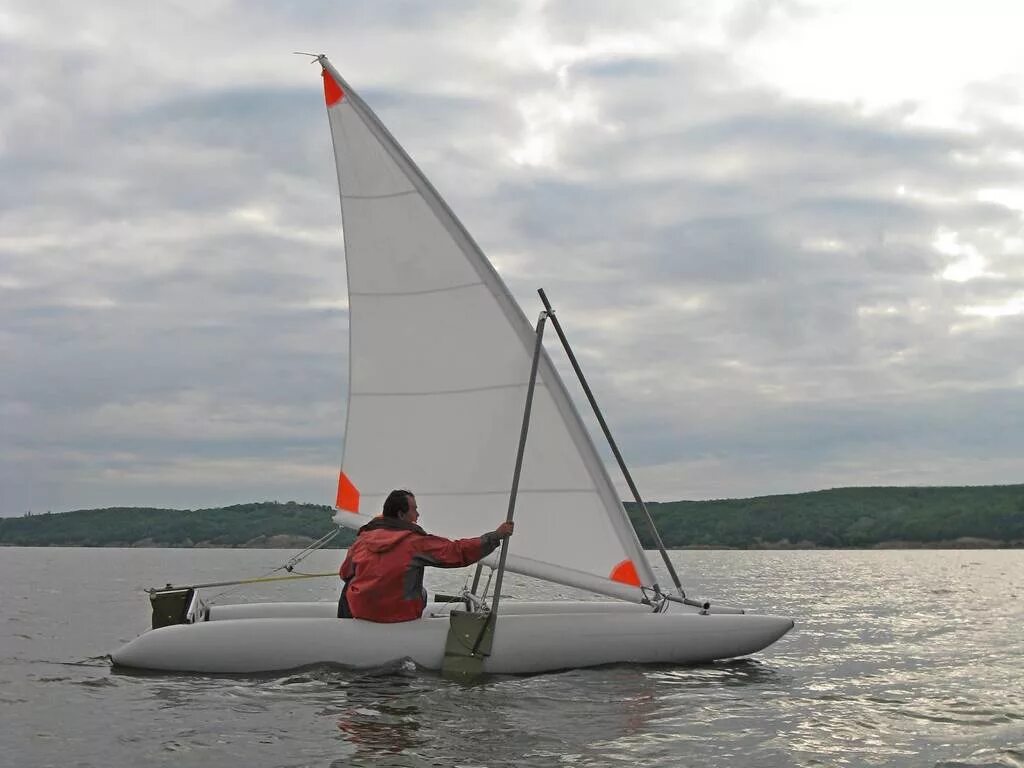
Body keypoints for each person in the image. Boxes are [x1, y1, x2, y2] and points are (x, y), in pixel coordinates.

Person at [338, 489, 514, 622]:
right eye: (414, 510)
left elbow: (345, 574)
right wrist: (495, 536)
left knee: (348, 587)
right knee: (422, 592)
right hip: (397, 615)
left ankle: (344, 630)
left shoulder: (362, 539)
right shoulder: (414, 542)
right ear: (401, 514)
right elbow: (457, 551)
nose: (418, 514)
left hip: (361, 611)